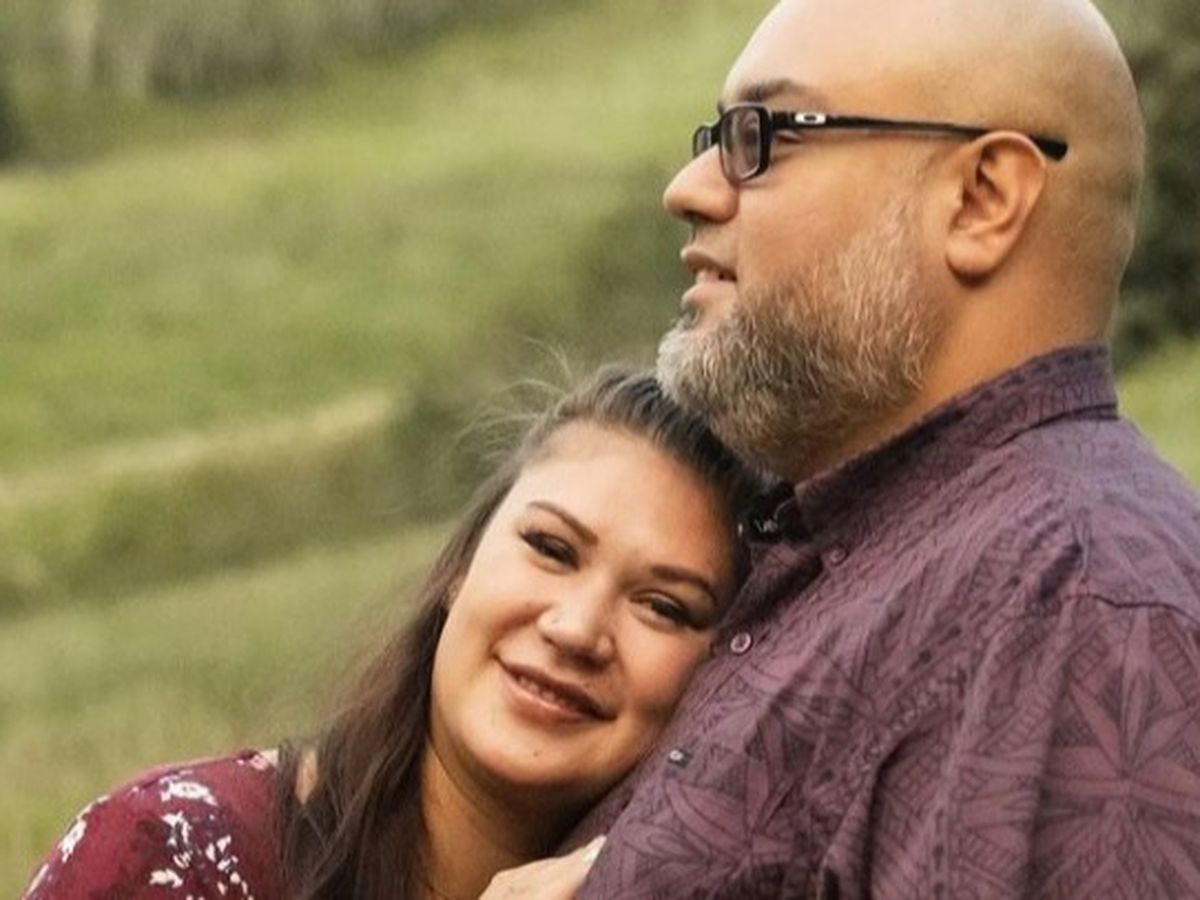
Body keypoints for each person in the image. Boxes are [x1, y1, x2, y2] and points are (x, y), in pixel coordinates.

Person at [569, 0, 1200, 896]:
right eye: (715, 137)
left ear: (981, 201)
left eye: (764, 136)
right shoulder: (880, 557)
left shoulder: (1077, 612)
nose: (691, 188)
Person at [22, 368, 760, 899]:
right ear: (459, 569)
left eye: (664, 607)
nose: (575, 629)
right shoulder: (170, 855)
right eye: (551, 548)